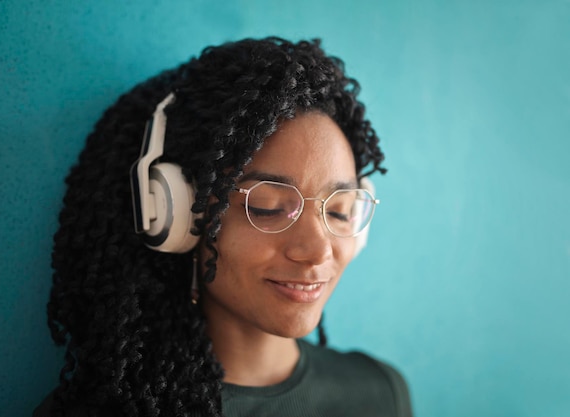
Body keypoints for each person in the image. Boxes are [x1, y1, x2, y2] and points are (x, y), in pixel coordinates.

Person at [34, 37, 413, 417]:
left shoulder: (381, 392)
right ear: (175, 213)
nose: (317, 250)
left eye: (339, 211)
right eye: (266, 207)